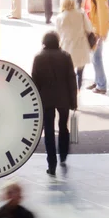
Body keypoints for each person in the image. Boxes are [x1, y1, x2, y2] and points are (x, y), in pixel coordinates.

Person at [32, 31, 77, 176]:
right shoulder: (65, 56)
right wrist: (73, 101)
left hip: (46, 99)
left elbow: (35, 81)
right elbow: (71, 79)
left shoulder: (39, 57)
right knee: (63, 126)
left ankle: (52, 164)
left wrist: (35, 101)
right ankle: (63, 154)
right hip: (64, 99)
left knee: (49, 131)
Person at [56, 0, 93, 90]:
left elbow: (58, 34)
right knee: (80, 73)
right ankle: (78, 92)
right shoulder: (81, 14)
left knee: (68, 73)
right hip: (81, 47)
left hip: (67, 49)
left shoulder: (60, 17)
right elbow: (89, 28)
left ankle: (69, 93)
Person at [83, 0, 109, 94]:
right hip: (90, 31)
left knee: (97, 58)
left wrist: (102, 34)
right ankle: (97, 81)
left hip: (97, 32)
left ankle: (102, 85)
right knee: (94, 58)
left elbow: (103, 17)